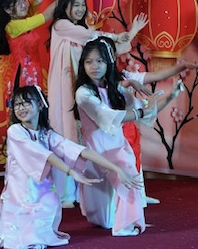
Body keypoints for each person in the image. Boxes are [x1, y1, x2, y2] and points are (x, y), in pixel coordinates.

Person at [0, 84, 143, 249]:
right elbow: (44, 155)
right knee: (25, 237)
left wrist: (117, 169)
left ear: (40, 104)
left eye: (26, 102)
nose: (21, 108)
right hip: (19, 193)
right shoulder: (15, 131)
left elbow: (78, 150)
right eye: (17, 105)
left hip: (42, 189)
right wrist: (71, 172)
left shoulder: (46, 134)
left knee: (50, 202)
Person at [47, 0, 148, 207]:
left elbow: (110, 51)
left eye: (83, 5)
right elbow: (93, 36)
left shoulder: (87, 39)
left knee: (89, 139)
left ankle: (98, 191)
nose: (80, 9)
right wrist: (116, 36)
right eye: (76, 5)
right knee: (66, 136)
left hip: (87, 92)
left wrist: (132, 33)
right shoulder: (61, 26)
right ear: (64, 6)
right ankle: (66, 192)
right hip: (66, 93)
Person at [74, 37, 183, 236]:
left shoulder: (116, 89)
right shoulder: (83, 93)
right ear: (83, 65)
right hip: (96, 154)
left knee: (128, 176)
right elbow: (107, 116)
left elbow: (144, 111)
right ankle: (117, 220)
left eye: (99, 61)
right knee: (102, 219)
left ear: (108, 63)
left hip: (117, 149)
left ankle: (124, 225)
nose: (94, 66)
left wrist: (169, 96)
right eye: (89, 62)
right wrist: (140, 112)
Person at [119, 59, 198, 204]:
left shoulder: (127, 75)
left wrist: (184, 66)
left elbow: (158, 75)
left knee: (134, 156)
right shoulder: (105, 82)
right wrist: (129, 84)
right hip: (114, 127)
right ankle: (124, 200)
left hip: (129, 126)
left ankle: (138, 195)